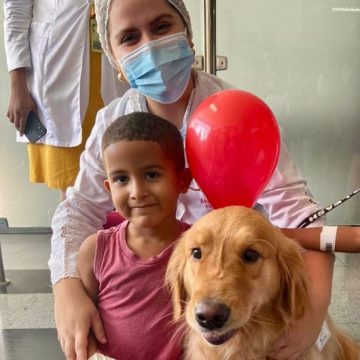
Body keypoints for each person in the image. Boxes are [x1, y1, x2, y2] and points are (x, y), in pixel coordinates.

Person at [49, 1, 334, 359]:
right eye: (130, 38)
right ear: (116, 63)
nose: (149, 47)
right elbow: (76, 211)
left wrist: (312, 315)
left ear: (188, 33)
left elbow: (303, 221)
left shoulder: (239, 113)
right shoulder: (113, 122)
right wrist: (66, 288)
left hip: (238, 285)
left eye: (162, 26)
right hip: (166, 286)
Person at [77, 112, 191, 359]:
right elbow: (83, 323)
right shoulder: (96, 250)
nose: (137, 192)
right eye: (121, 179)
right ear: (109, 188)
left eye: (152, 175)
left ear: (182, 180)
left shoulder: (198, 247)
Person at [3, 0, 127, 200]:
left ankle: (116, 232)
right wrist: (18, 86)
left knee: (125, 167)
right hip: (58, 69)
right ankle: (70, 231)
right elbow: (16, 13)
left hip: (114, 61)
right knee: (72, 186)